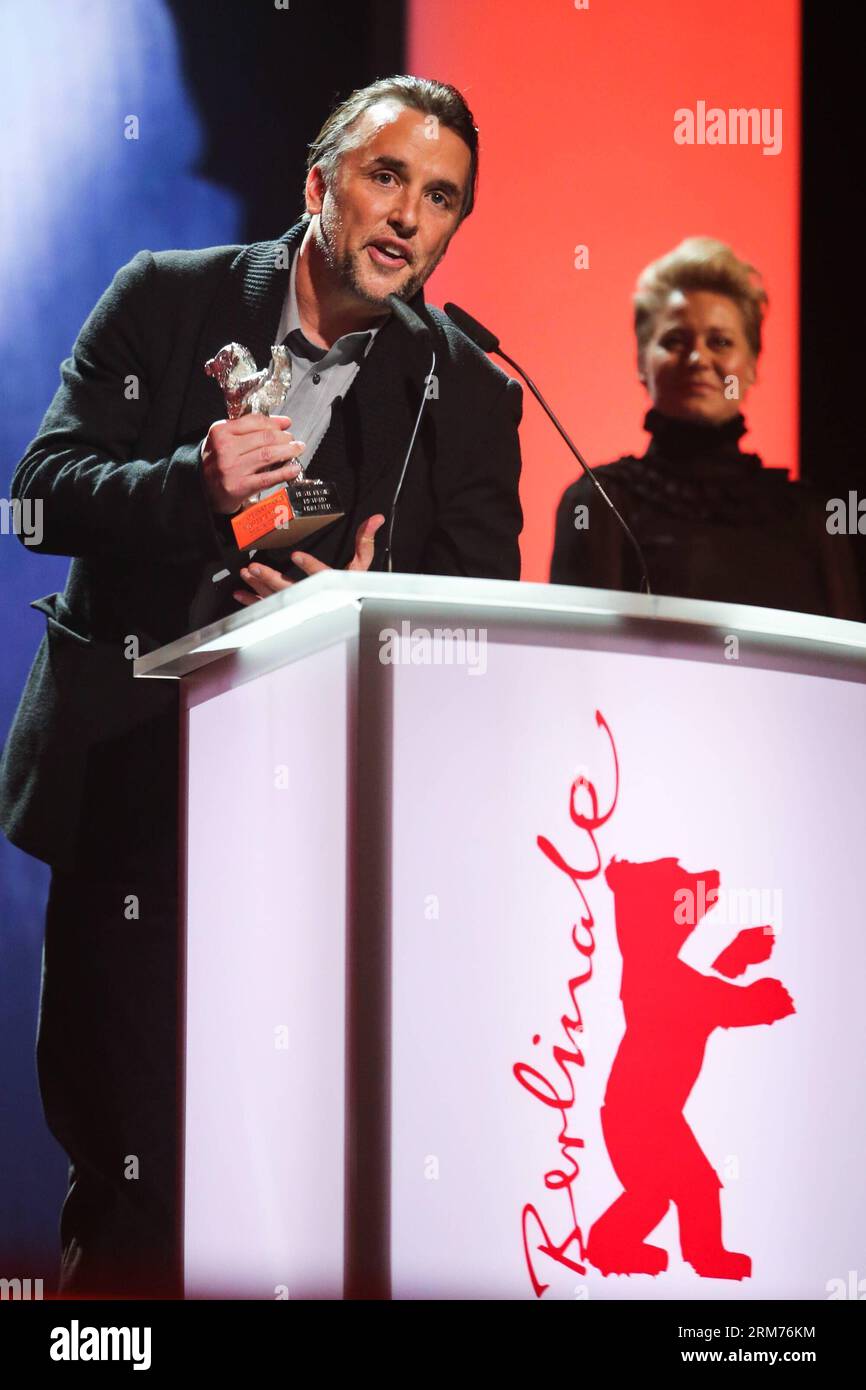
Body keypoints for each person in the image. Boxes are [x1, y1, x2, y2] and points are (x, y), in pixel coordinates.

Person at [0, 75, 523, 1298]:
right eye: (385, 176)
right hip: (137, 794)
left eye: (439, 198)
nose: (406, 216)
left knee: (287, 1162)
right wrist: (191, 481)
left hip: (321, 832)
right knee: (132, 1170)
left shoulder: (474, 393)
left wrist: (341, 616)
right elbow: (36, 494)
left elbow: (473, 628)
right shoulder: (167, 297)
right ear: (317, 184)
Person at [550, 237, 862, 620]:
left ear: (752, 364)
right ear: (642, 362)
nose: (698, 358)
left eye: (721, 341)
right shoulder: (599, 501)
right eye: (675, 341)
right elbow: (580, 663)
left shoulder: (815, 517)